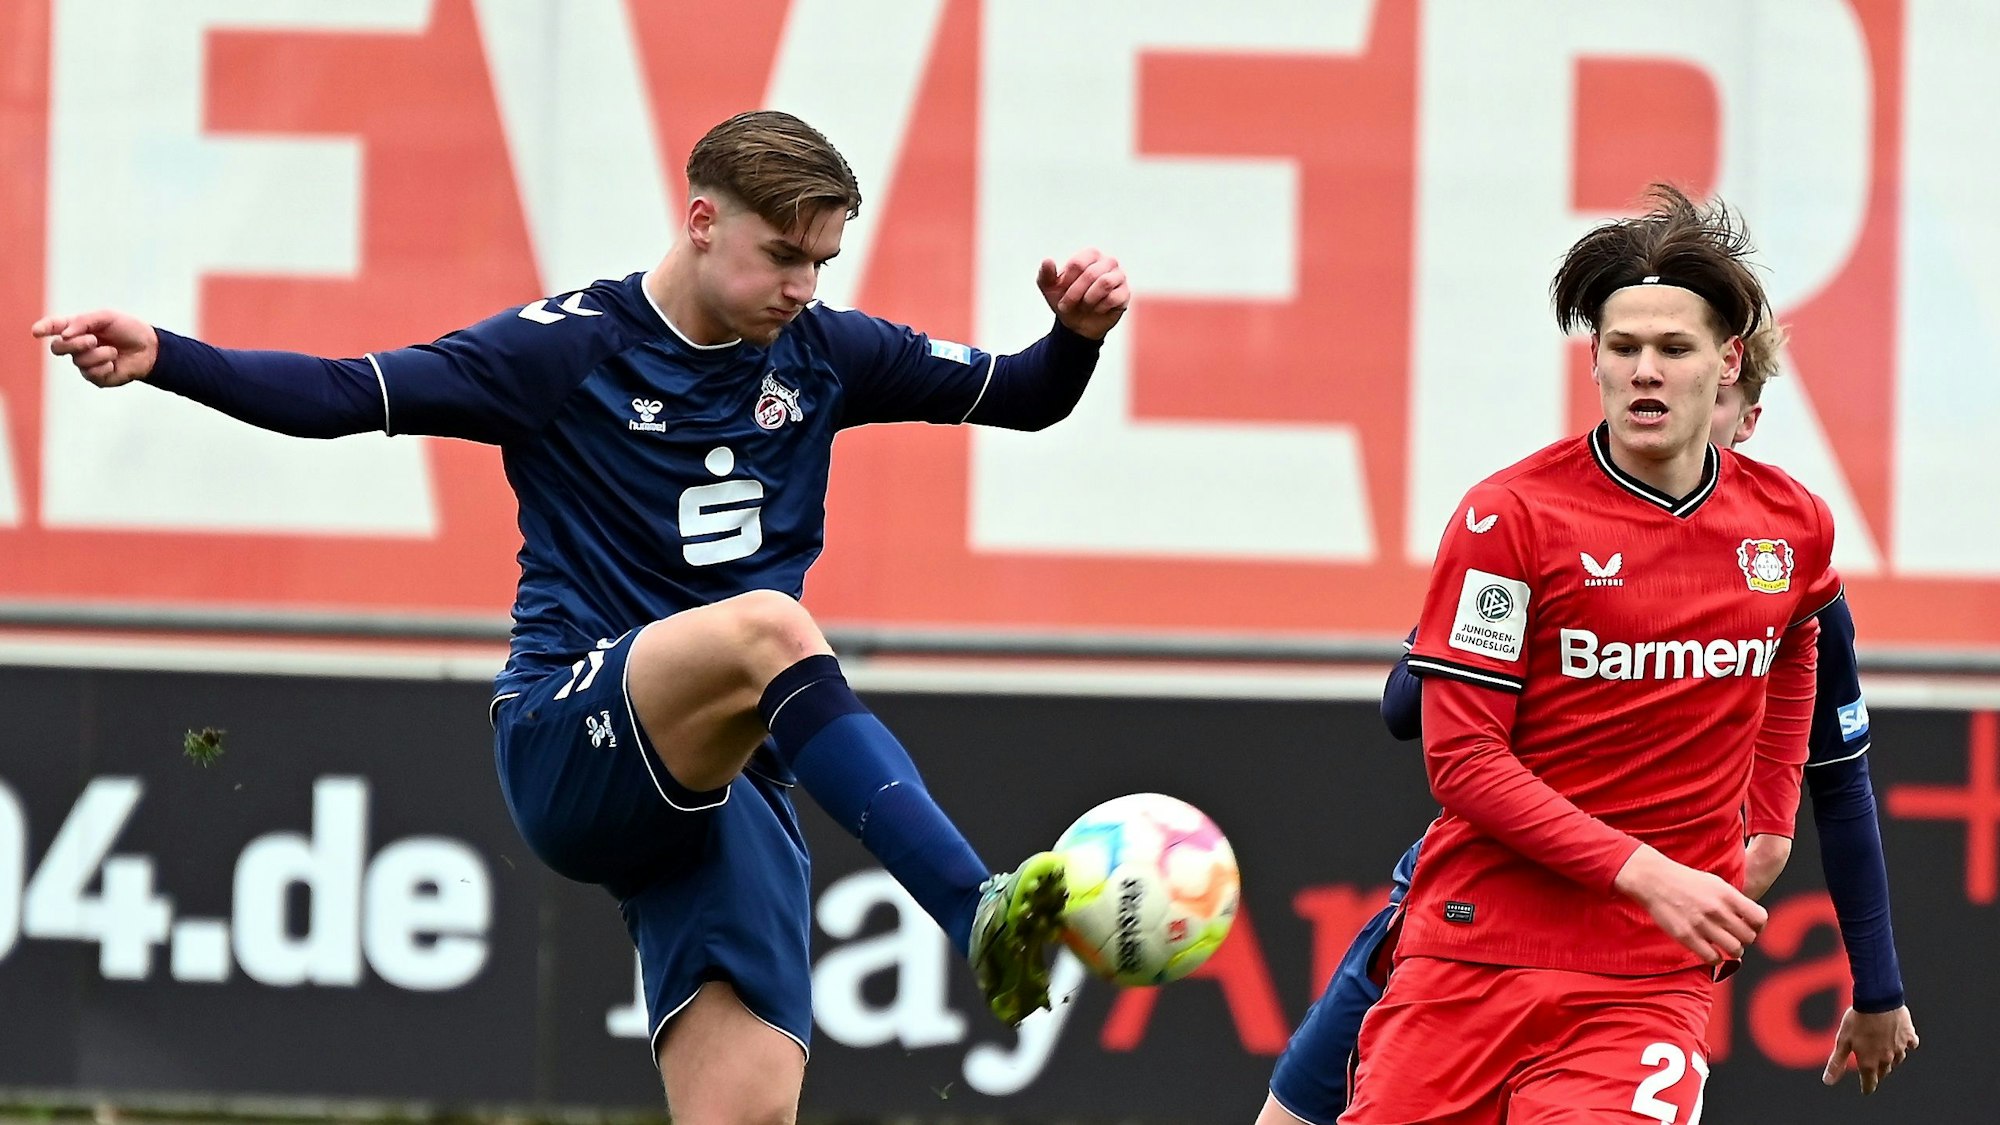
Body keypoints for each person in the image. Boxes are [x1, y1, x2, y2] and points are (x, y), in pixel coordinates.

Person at [33, 110, 1128, 1122]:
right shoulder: (564, 350)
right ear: (701, 221)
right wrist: (165, 355)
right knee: (769, 629)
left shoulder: (827, 354)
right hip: (570, 733)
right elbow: (341, 393)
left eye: (820, 263)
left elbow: (1023, 393)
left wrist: (1072, 336)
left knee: (750, 1115)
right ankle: (972, 907)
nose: (802, 287)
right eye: (782, 256)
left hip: (725, 788)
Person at [1258, 322, 1918, 1125]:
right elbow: (1413, 714)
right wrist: (1473, 642)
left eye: (1708, 390)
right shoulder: (1541, 524)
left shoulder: (1785, 563)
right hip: (1466, 929)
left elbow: (1839, 775)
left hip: (1635, 962)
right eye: (1632, 354)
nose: (1670, 400)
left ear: (1744, 415)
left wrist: (1862, 962)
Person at [1328, 184, 1838, 1124]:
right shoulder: (1508, 517)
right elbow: (1462, 759)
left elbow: (1798, 642)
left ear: (1727, 362)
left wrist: (1769, 823)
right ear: (1595, 359)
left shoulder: (1790, 524)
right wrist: (1650, 872)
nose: (1646, 371)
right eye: (1623, 347)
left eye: (1674, 349)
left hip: (1646, 978)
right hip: (1473, 951)